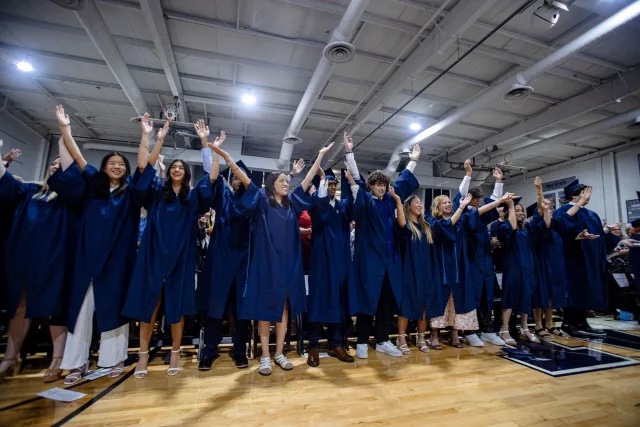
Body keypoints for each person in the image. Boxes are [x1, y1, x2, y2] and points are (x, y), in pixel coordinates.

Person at [209, 142, 333, 375]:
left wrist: (320, 155)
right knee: (266, 310)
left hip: (289, 265)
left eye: (288, 181)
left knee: (284, 310)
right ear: (271, 186)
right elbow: (243, 178)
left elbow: (306, 180)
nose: (287, 184)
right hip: (267, 264)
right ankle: (265, 355)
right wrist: (226, 156)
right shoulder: (262, 203)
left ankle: (279, 353)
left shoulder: (294, 204)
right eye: (282, 181)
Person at [50, 105, 140, 385]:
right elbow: (77, 158)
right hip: (87, 258)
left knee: (114, 308)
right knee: (82, 308)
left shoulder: (130, 194)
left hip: (116, 260)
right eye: (112, 163)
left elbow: (146, 164)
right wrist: (65, 129)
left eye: (121, 164)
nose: (117, 166)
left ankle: (115, 359)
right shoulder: (93, 188)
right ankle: (76, 363)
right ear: (103, 168)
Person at [122, 115, 215, 378]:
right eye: (173, 167)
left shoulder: (193, 198)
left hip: (181, 257)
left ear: (186, 173)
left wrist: (205, 142)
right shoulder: (155, 195)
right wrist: (153, 139)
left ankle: (175, 351)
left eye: (181, 167)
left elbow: (210, 177)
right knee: (149, 305)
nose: (176, 169)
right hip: (153, 254)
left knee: (175, 305)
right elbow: (143, 169)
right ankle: (142, 355)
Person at [0, 139, 78, 383]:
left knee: (54, 308)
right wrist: (3, 161)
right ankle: (10, 357)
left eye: (61, 165)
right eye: (53, 165)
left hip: (55, 257)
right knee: (20, 306)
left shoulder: (71, 198)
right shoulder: (32, 190)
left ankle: (58, 358)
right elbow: (6, 184)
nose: (56, 167)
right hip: (25, 256)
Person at [347, 140, 421, 359]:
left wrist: (413, 161)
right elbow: (355, 184)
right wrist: (349, 153)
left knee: (387, 302)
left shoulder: (390, 202)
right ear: (371, 186)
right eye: (377, 184)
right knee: (366, 300)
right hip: (370, 262)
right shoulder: (365, 202)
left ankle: (381, 340)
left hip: (391, 262)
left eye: (383, 184)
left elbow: (404, 182)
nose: (380, 187)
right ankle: (361, 341)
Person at [196, 120, 253, 371]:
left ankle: (240, 350)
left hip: (244, 261)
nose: (239, 180)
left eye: (243, 177)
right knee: (214, 307)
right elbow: (212, 178)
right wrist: (210, 148)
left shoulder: (252, 200)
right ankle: (210, 350)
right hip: (220, 258)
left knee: (242, 310)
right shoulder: (224, 195)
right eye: (236, 177)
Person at [305, 161, 355, 367]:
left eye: (334, 183)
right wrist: (322, 182)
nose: (332, 187)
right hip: (320, 263)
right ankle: (314, 346)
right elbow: (321, 208)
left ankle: (336, 344)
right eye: (329, 184)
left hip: (340, 263)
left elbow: (355, 208)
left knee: (337, 302)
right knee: (318, 301)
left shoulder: (343, 207)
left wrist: (352, 180)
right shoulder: (316, 206)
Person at [454, 160, 506, 347]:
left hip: (485, 262)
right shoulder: (463, 216)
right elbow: (460, 196)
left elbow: (493, 204)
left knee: (487, 297)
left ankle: (487, 330)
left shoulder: (480, 215)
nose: (478, 202)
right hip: (469, 263)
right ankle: (470, 331)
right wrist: (468, 174)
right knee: (472, 297)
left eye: (478, 200)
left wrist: (498, 182)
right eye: (475, 199)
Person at [553, 180, 609, 337]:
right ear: (575, 195)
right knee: (575, 290)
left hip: (589, 259)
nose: (587, 196)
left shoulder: (591, 214)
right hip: (573, 258)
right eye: (584, 193)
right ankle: (568, 323)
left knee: (586, 289)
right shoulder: (565, 211)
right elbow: (560, 230)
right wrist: (578, 236)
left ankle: (582, 322)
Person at [394, 193, 441, 354]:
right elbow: (400, 228)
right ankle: (401, 337)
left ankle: (421, 337)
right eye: (417, 202)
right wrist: (398, 200)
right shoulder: (405, 226)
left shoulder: (427, 227)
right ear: (409, 206)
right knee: (406, 304)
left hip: (425, 270)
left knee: (424, 305)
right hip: (409, 269)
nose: (420, 205)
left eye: (421, 203)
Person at [498, 195, 543, 344]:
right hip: (513, 265)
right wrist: (510, 206)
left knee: (526, 296)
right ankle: (504, 330)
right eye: (517, 210)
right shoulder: (504, 227)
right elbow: (510, 229)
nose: (521, 213)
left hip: (528, 266)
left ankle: (525, 328)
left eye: (522, 211)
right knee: (510, 296)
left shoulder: (527, 228)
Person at [530, 177, 570, 339]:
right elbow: (543, 216)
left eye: (551, 210)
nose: (550, 211)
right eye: (546, 210)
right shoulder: (538, 226)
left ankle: (550, 324)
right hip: (541, 264)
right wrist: (540, 190)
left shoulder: (556, 229)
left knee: (552, 296)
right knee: (541, 295)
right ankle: (539, 326)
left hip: (555, 266)